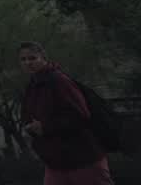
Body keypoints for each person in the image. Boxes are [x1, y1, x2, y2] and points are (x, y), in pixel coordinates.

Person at [18, 41, 114, 185]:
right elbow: (28, 115)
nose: (28, 63)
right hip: (56, 161)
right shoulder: (33, 86)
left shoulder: (59, 81)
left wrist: (45, 127)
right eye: (23, 59)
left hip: (83, 158)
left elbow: (81, 116)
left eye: (32, 58)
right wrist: (30, 128)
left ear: (43, 58)